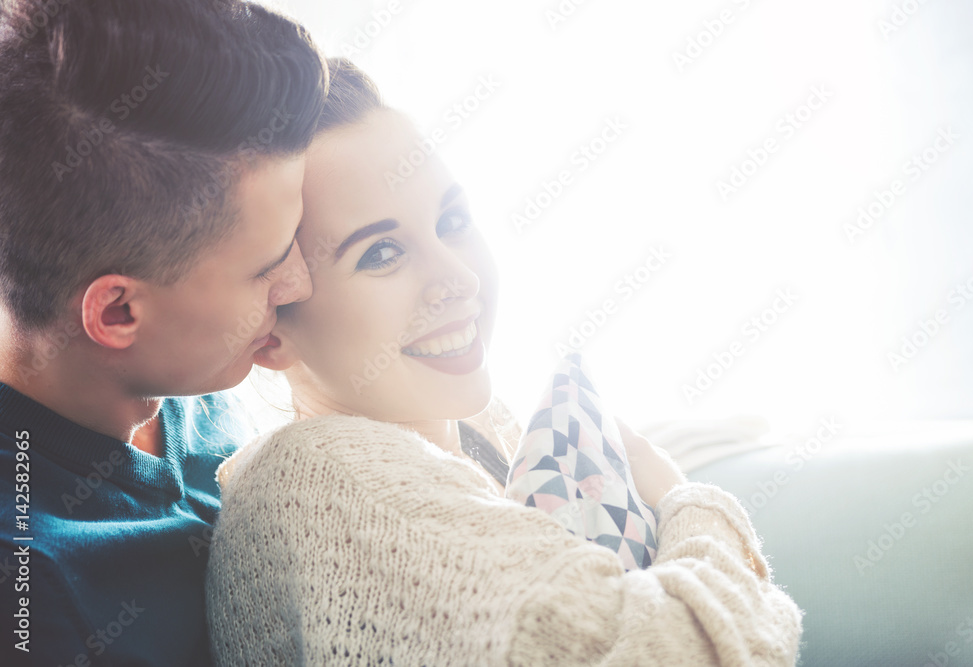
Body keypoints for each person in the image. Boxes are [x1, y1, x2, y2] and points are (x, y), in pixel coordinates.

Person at [206, 58, 803, 665]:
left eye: (452, 221)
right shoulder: (324, 478)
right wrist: (685, 498)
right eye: (382, 252)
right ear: (270, 330)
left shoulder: (477, 430)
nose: (459, 277)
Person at [0, 0, 328, 664]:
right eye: (268, 267)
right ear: (117, 312)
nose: (301, 282)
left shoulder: (198, 365)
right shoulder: (39, 598)